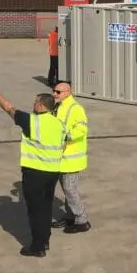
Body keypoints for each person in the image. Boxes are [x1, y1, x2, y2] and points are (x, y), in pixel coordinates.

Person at [0, 85, 66, 257]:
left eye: (35, 102)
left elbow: (9, 108)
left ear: (42, 105)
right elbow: (63, 144)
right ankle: (45, 240)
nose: (33, 104)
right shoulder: (59, 124)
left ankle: (37, 247)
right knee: (46, 207)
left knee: (35, 211)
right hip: (53, 172)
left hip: (35, 173)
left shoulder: (33, 122)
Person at [51, 82, 91, 233]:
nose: (55, 94)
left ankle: (82, 220)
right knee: (66, 189)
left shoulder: (76, 109)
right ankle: (70, 217)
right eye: (54, 91)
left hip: (72, 158)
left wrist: (65, 137)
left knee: (70, 189)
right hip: (62, 157)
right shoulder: (59, 106)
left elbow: (81, 129)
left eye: (58, 92)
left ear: (68, 92)